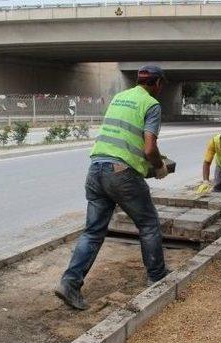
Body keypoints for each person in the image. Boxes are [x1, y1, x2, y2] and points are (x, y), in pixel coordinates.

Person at [55, 65, 171, 310]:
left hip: (96, 169)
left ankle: (70, 282)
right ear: (158, 83)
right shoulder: (151, 105)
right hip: (121, 174)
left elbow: (123, 137)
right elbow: (149, 148)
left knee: (93, 231)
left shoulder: (120, 97)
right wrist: (159, 167)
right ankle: (157, 277)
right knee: (149, 224)